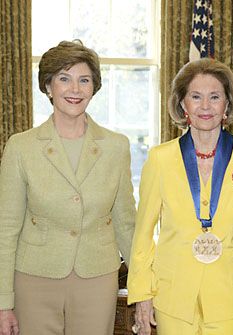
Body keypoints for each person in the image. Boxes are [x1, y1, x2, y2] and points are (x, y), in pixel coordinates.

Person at [0, 40, 136, 335]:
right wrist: (3, 303)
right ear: (48, 86)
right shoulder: (20, 147)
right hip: (34, 278)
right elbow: (6, 229)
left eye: (83, 80)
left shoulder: (116, 146)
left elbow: (126, 223)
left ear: (93, 88)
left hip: (97, 278)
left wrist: (144, 287)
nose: (75, 89)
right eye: (64, 78)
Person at [127, 58, 233, 335]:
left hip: (232, 297)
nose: (205, 106)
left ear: (227, 105)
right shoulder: (160, 159)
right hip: (173, 298)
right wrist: (143, 294)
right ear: (183, 104)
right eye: (196, 96)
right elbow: (143, 234)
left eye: (215, 97)